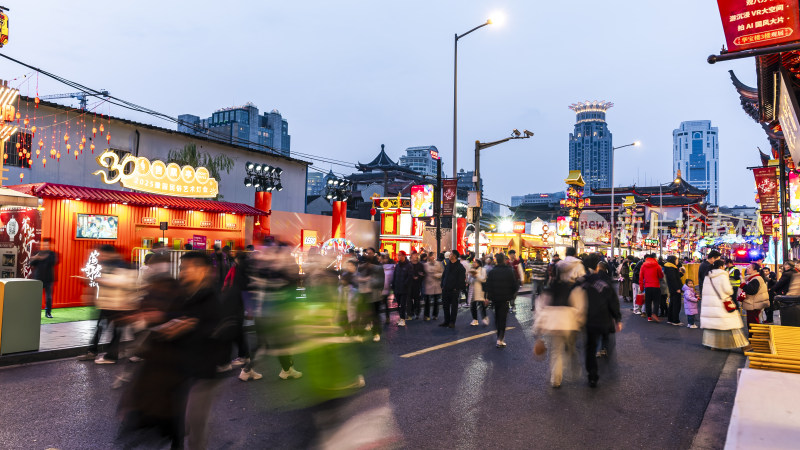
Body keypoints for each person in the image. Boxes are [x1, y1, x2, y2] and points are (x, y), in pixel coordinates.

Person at [533, 247, 586, 388]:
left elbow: (540, 308)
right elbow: (579, 307)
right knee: (569, 347)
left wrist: (537, 330)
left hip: (554, 324)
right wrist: (580, 322)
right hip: (569, 323)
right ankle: (572, 365)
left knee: (556, 351)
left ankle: (556, 378)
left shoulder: (549, 289)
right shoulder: (572, 288)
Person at [78, 245, 139, 364]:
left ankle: (111, 356)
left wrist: (101, 280)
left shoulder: (123, 265)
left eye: (103, 254)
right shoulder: (106, 265)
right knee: (102, 328)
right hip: (107, 303)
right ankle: (95, 351)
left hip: (118, 304)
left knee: (116, 331)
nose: (101, 257)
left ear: (111, 254)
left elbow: (122, 282)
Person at [581, 254, 622, 388]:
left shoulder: (583, 281)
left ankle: (592, 376)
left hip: (589, 319)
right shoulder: (605, 281)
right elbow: (613, 301)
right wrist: (617, 318)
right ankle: (610, 369)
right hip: (604, 318)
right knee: (608, 342)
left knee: (590, 348)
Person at [700, 260, 749, 350]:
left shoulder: (708, 275)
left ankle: (713, 345)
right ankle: (743, 345)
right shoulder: (722, 275)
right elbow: (728, 290)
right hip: (722, 303)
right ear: (721, 266)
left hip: (711, 304)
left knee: (714, 325)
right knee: (732, 325)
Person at [485, 253, 516, 347]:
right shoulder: (509, 271)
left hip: (495, 298)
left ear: (496, 260)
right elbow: (514, 286)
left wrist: (487, 298)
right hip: (505, 299)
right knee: (502, 319)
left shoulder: (492, 271)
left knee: (497, 317)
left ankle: (499, 336)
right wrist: (511, 295)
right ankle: (500, 339)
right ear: (504, 260)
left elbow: (488, 286)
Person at [30, 238, 58, 318]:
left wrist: (41, 258)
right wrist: (35, 258)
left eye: (47, 244)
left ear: (49, 245)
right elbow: (32, 263)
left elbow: (52, 262)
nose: (45, 246)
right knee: (36, 297)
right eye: (44, 244)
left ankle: (48, 313)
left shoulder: (52, 254)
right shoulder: (37, 253)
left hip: (49, 279)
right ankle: (34, 313)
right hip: (38, 279)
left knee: (48, 298)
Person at [440, 250, 466, 328]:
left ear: (454, 256)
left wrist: (456, 288)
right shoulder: (448, 264)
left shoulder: (460, 267)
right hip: (446, 289)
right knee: (445, 306)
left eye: (451, 254)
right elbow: (444, 275)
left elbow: (461, 279)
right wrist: (442, 285)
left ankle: (452, 322)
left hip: (454, 290)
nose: (449, 255)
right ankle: (446, 321)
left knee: (454, 307)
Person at [740, 262, 770, 330]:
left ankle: (754, 337)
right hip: (754, 303)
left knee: (752, 323)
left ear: (755, 270)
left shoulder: (756, 279)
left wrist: (743, 285)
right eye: (747, 268)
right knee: (753, 321)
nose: (747, 269)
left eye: (749, 268)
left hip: (754, 304)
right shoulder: (753, 278)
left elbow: (751, 291)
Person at [639, 253, 664, 323]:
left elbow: (641, 278)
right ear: (654, 258)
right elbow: (661, 276)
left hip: (647, 287)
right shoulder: (657, 265)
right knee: (656, 301)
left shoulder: (643, 265)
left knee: (648, 302)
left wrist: (641, 288)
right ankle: (655, 313)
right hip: (656, 286)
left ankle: (649, 317)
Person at [392, 251, 412, 326]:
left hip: (404, 289)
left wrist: (405, 284)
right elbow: (395, 275)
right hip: (397, 288)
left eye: (400, 255)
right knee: (399, 304)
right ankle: (401, 318)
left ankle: (403, 319)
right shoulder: (397, 265)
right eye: (398, 255)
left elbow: (410, 277)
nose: (398, 257)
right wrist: (393, 285)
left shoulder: (409, 265)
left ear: (404, 256)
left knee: (403, 305)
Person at [423, 252, 443, 321]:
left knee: (436, 301)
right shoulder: (425, 265)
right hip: (428, 285)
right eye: (429, 256)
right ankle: (427, 315)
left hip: (436, 285)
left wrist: (437, 275)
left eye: (432, 256)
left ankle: (435, 315)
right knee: (427, 301)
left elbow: (442, 273)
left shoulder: (439, 264)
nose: (431, 258)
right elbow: (423, 274)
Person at [664, 256, 684, 326]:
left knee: (672, 304)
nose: (677, 261)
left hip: (673, 288)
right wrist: (677, 288)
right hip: (675, 289)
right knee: (676, 304)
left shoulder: (671, 267)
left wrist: (681, 274)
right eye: (676, 260)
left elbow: (675, 277)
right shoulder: (671, 268)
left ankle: (670, 319)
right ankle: (675, 320)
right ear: (673, 260)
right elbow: (673, 279)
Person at [468, 259, 489, 326]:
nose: (474, 263)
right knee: (473, 305)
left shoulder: (483, 270)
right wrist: (471, 276)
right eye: (473, 262)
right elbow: (469, 281)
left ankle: (484, 318)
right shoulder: (471, 270)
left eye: (475, 262)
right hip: (472, 290)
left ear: (479, 263)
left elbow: (483, 279)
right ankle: (475, 320)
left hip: (480, 290)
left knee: (482, 305)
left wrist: (476, 275)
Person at [408, 252, 426, 320]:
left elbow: (423, 274)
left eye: (416, 255)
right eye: (414, 255)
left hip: (417, 285)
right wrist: (411, 277)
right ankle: (411, 312)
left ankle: (417, 312)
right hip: (409, 284)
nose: (416, 256)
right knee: (409, 300)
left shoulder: (420, 265)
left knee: (417, 300)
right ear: (411, 256)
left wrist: (419, 277)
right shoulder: (408, 264)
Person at [380, 253, 395, 324]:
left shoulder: (391, 267)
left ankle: (387, 317)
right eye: (384, 258)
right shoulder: (380, 267)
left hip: (386, 288)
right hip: (380, 288)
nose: (384, 260)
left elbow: (392, 278)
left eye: (386, 258)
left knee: (386, 303)